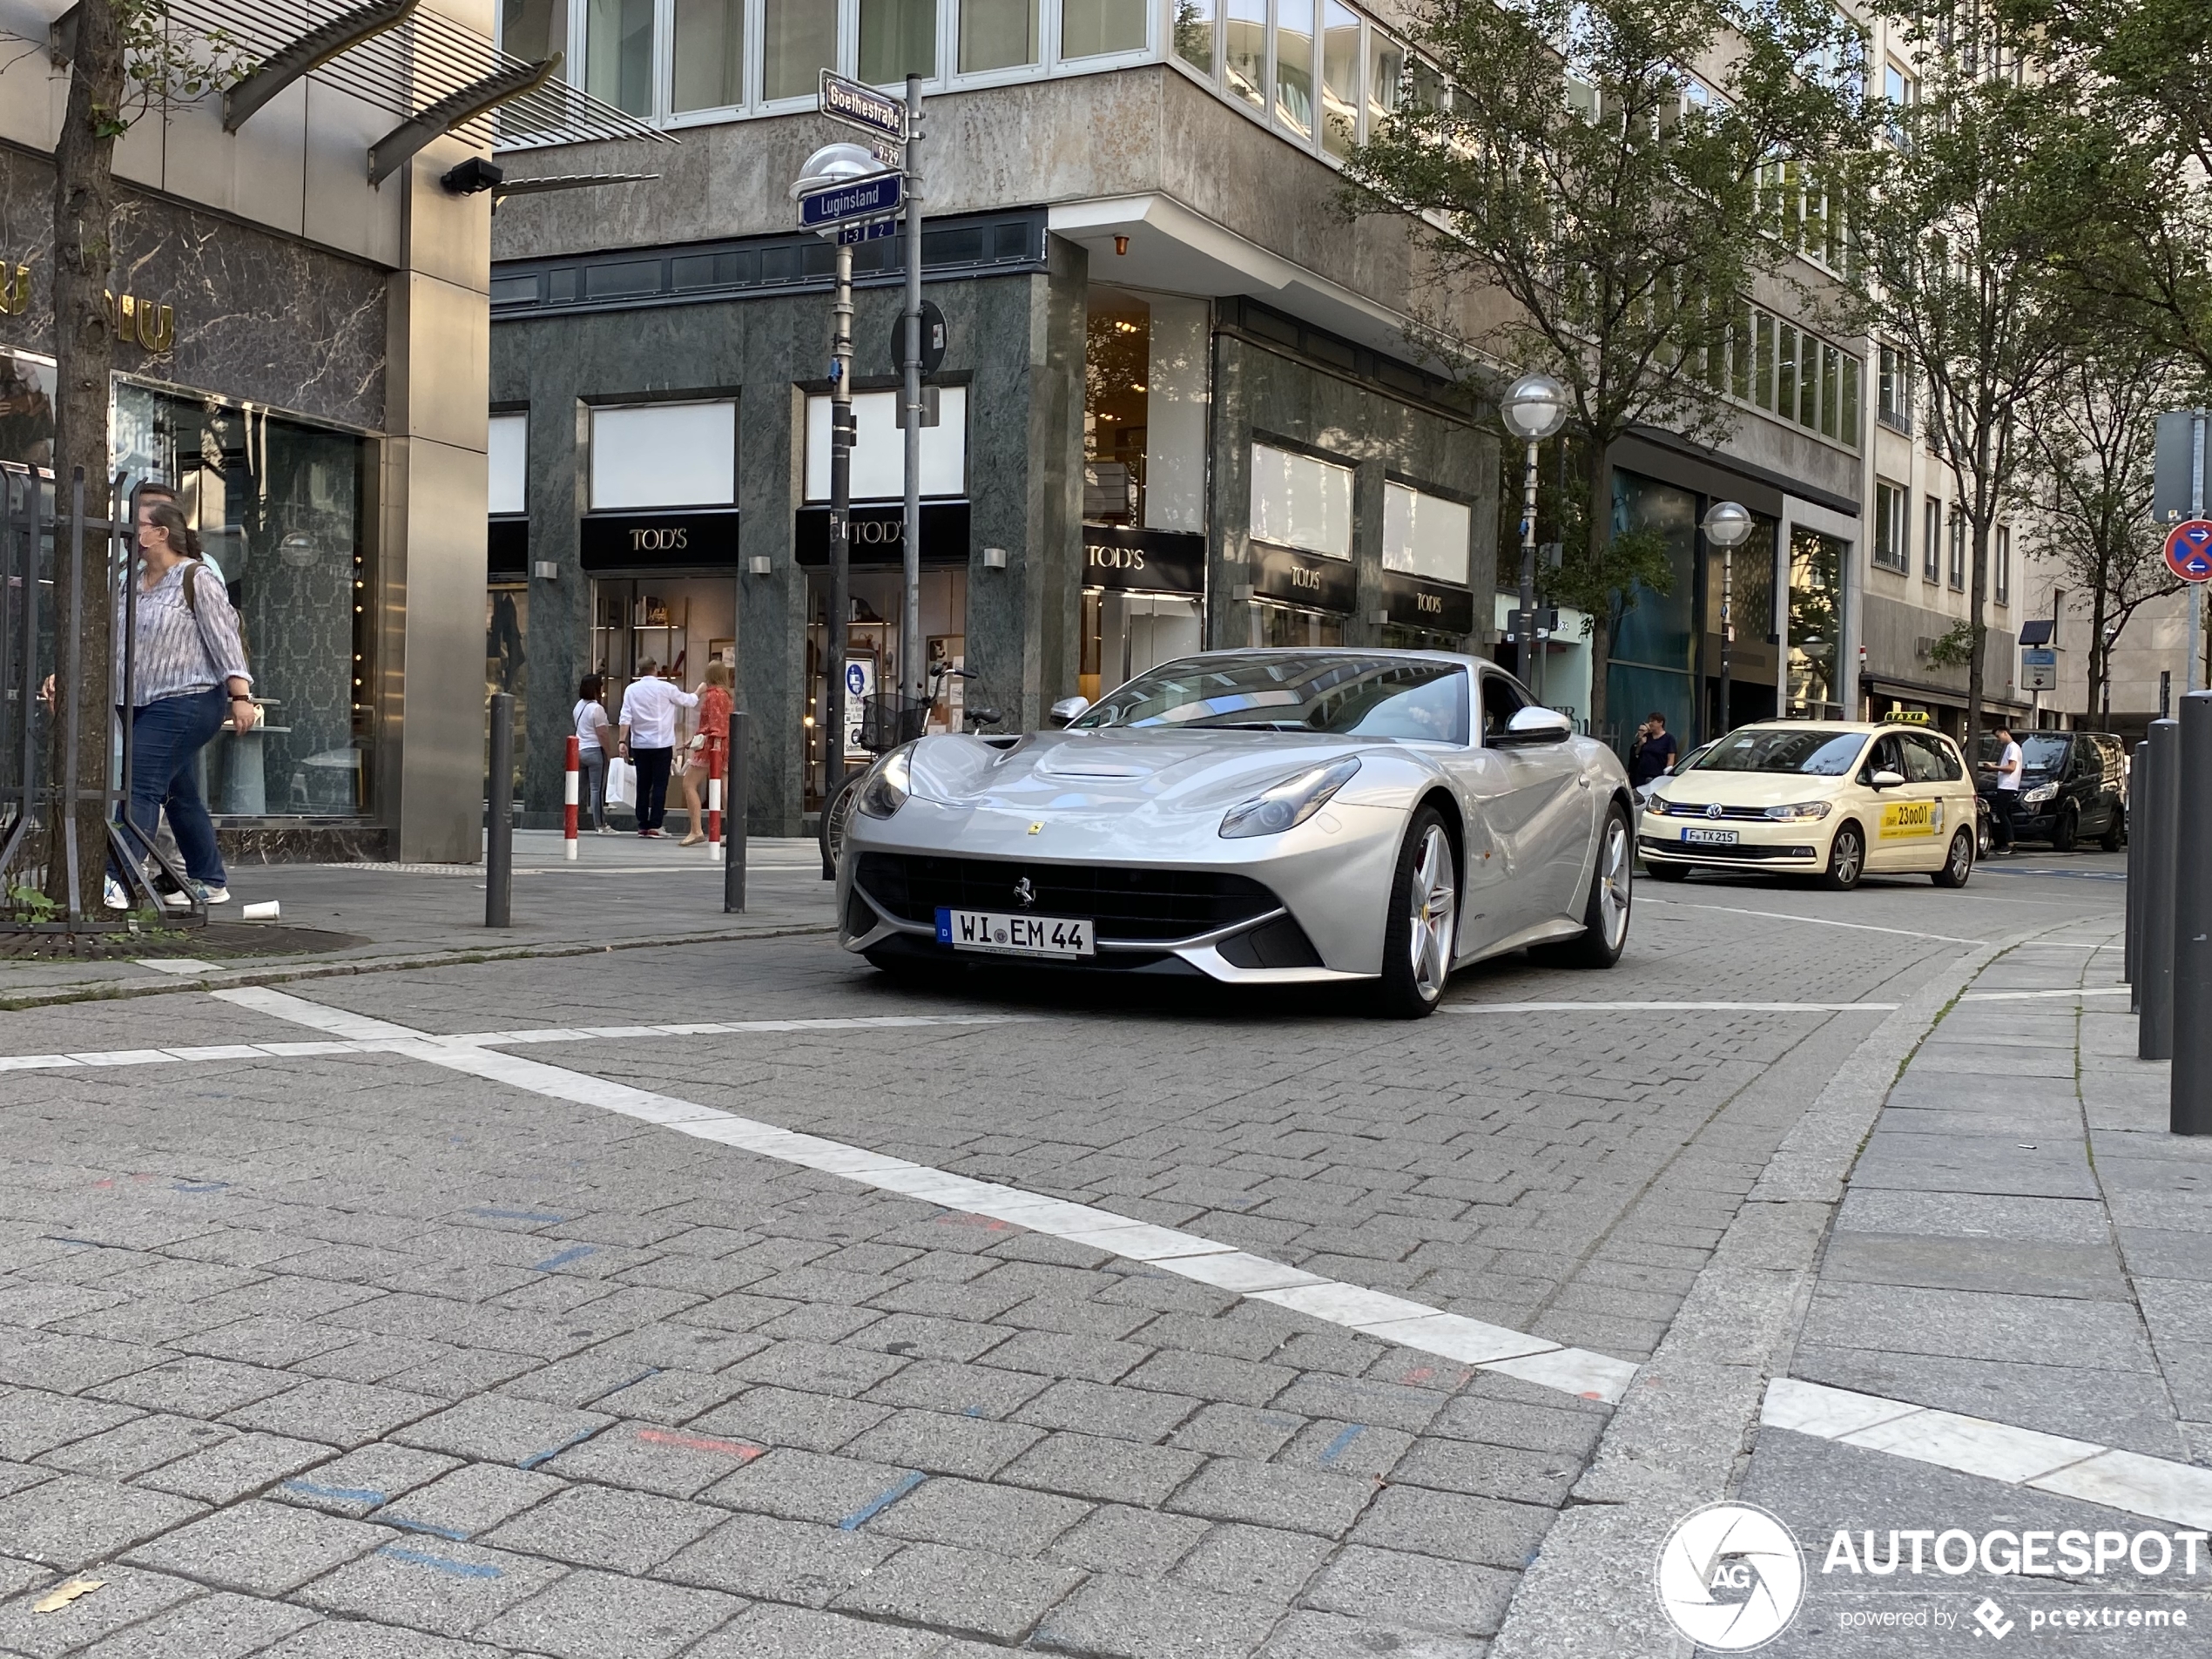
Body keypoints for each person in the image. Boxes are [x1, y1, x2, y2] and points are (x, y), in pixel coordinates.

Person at [112, 498, 253, 907]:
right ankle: (210, 880)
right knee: (181, 793)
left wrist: (240, 696)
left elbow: (224, 639)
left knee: (139, 784)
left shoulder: (196, 577)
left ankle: (113, 879)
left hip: (187, 701)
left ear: (161, 533)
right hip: (138, 703)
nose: (129, 533)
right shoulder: (129, 581)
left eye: (137, 525)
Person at [617, 659, 696, 839]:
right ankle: (656, 824)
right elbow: (688, 701)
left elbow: (625, 717)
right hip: (662, 744)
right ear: (655, 669)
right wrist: (699, 691)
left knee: (643, 785)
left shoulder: (631, 690)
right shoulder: (666, 688)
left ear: (640, 670)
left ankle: (642, 824)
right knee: (660, 785)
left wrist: (622, 741)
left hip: (640, 745)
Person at [674, 660, 735, 846]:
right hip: (723, 745)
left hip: (711, 746)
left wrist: (704, 741)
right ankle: (733, 832)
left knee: (689, 784)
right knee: (725, 788)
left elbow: (714, 726)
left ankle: (696, 830)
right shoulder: (726, 695)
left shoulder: (713, 695)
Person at [572, 674, 617, 835]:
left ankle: (570, 822)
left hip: (579, 750)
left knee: (579, 790)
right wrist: (609, 753)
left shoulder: (578, 706)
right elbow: (602, 734)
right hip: (594, 751)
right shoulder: (597, 709)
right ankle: (600, 824)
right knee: (597, 790)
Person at [1989, 725, 2025, 854]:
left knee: (2001, 813)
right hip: (2007, 785)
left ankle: (2009, 843)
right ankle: (2010, 842)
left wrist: (1994, 768)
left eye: (1999, 736)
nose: (1999, 740)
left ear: (2005, 733)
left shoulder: (2013, 747)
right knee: (2007, 814)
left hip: (2007, 785)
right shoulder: (2012, 747)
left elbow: (2011, 767)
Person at [1630, 711, 1677, 786]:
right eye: (1649, 721)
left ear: (1661, 723)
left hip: (1657, 775)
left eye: (1653, 721)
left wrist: (1667, 775)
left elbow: (1670, 759)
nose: (1650, 723)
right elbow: (1637, 754)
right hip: (1642, 775)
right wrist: (1640, 744)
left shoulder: (1669, 739)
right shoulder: (1647, 736)